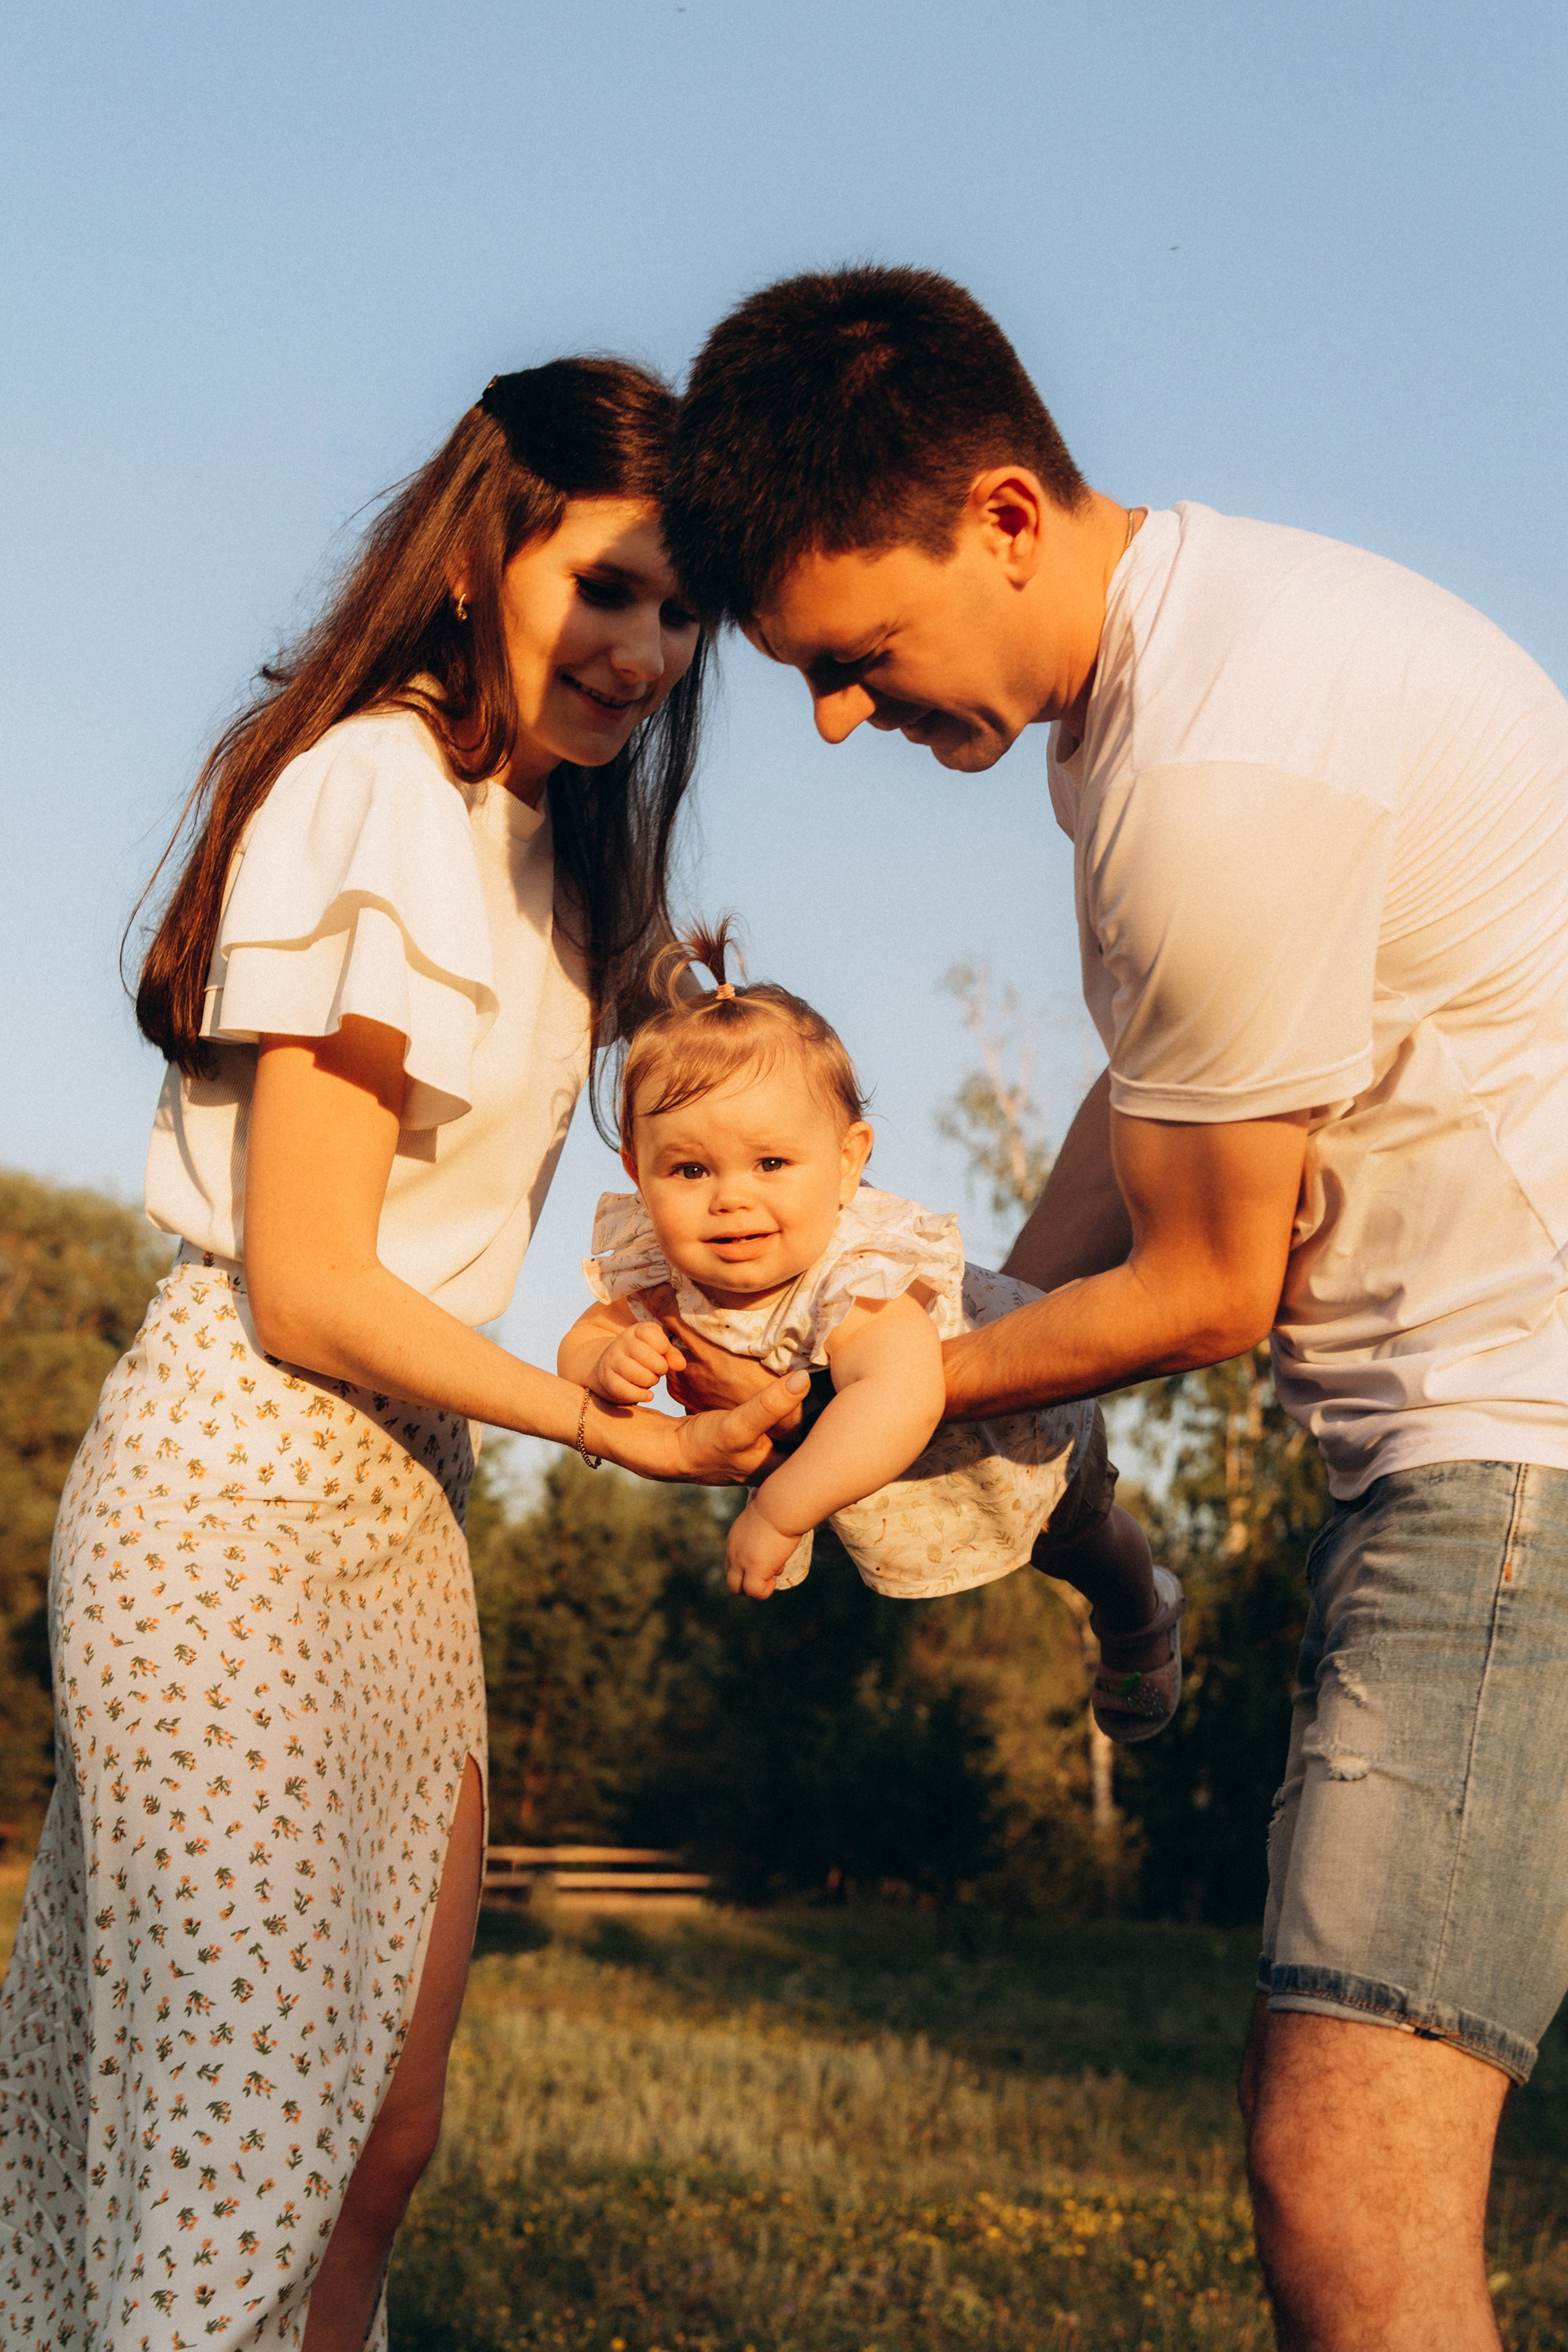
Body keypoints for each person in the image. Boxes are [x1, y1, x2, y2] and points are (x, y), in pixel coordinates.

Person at [658, 265, 1568, 2352]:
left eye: (854, 652)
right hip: (1471, 1451)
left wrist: (902, 1387)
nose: (829, 713)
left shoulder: (1213, 770)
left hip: (1508, 1465)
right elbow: (1163, 1095)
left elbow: (1210, 1284)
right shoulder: (1189, 666)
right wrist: (948, 1305)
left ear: (998, 514)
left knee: (1350, 2170)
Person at [0, 359, 804, 2352]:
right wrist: (598, 1436)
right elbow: (304, 1283)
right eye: (606, 586)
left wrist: (611, 1339)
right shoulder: (375, 784)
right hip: (232, 1493)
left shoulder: (556, 854)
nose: (643, 647)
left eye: (679, 606)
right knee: (239, 2136)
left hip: (397, 1508)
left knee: (377, 2134)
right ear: (482, 553)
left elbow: (467, 1247)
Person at [559, 924, 1183, 1734]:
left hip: (1013, 1434)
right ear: (636, 1170)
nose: (731, 1198)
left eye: (772, 1164)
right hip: (880, 1474)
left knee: (1080, 1541)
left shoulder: (855, 1271)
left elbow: (897, 1395)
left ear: (850, 1160)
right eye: (688, 1170)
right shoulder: (660, 1262)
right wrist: (606, 1358)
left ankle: (1142, 1620)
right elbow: (584, 1333)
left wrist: (781, 1510)